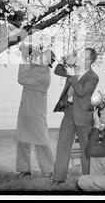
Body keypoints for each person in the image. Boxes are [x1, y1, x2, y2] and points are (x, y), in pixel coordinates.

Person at [52, 47, 99, 184]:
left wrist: (72, 75)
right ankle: (59, 178)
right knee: (62, 145)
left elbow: (81, 91)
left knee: (86, 148)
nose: (79, 55)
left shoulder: (93, 77)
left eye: (83, 54)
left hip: (84, 115)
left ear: (89, 60)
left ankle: (87, 178)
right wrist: (65, 60)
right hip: (69, 112)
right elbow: (57, 70)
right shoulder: (74, 68)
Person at [15, 46, 56, 177]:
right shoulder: (38, 66)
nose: (39, 58)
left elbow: (22, 79)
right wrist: (28, 51)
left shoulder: (43, 75)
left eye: (43, 58)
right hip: (26, 109)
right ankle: (24, 169)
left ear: (47, 62)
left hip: (36, 111)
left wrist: (25, 58)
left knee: (41, 140)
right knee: (22, 140)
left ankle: (49, 170)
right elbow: (31, 62)